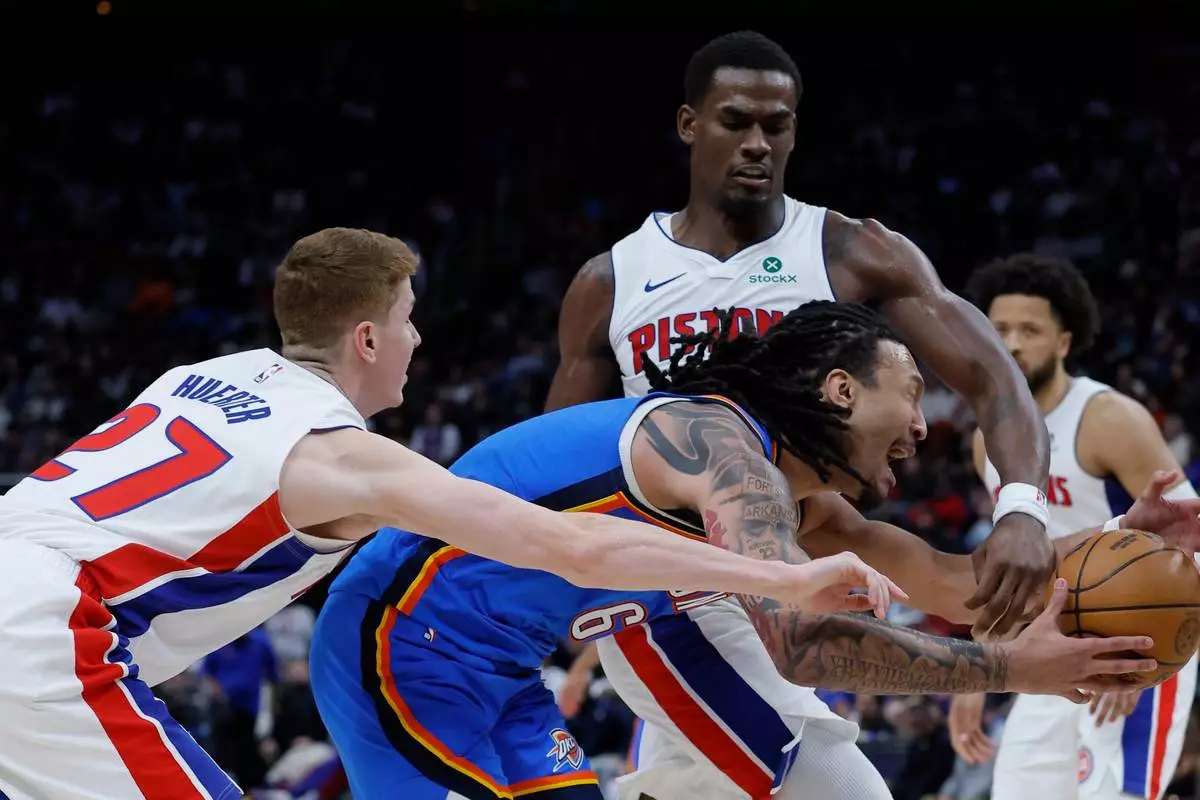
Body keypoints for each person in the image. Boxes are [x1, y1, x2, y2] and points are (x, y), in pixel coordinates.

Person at [0, 229, 890, 800]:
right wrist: (782, 577)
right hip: (51, 626)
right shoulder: (345, 459)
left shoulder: (199, 377)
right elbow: (572, 544)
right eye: (409, 319)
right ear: (368, 339)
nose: (418, 340)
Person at [308, 301, 1183, 800]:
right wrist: (1010, 669)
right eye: (912, 394)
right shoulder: (724, 453)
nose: (925, 426)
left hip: (504, 674)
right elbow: (804, 648)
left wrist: (1116, 538)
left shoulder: (805, 505)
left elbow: (959, 583)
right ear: (841, 389)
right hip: (399, 644)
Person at [547, 30, 1054, 799]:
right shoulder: (610, 281)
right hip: (671, 580)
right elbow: (558, 461)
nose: (757, 142)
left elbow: (995, 381)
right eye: (735, 121)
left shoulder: (853, 252)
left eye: (775, 125)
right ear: (689, 124)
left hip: (787, 567)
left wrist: (1024, 510)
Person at [947, 254, 1200, 800]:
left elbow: (1192, 537)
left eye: (1030, 330)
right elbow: (1013, 567)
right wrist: (976, 667)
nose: (1012, 344)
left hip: (1137, 635)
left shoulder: (1108, 418)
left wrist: (1148, 656)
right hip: (1050, 641)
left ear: (1064, 341)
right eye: (1000, 329)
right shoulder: (986, 440)